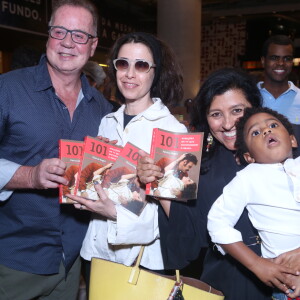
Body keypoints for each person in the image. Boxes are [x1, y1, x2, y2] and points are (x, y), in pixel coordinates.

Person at [137, 67, 300, 300]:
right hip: (231, 283)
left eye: (237, 110)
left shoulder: (287, 139)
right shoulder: (199, 166)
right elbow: (189, 241)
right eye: (216, 115)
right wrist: (158, 185)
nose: (228, 123)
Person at [0, 0, 112, 299]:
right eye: (59, 31)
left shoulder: (104, 111)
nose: (67, 42)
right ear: (47, 35)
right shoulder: (7, 89)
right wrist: (29, 176)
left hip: (71, 264)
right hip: (13, 261)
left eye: (79, 35)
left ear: (92, 45)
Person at [66, 32, 187, 290]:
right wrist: (81, 193)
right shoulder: (106, 122)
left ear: (156, 72)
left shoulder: (172, 131)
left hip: (144, 260)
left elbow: (176, 218)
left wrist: (115, 214)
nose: (130, 73)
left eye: (141, 65)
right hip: (97, 252)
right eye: (123, 64)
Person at [208, 106, 300, 300]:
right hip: (288, 281)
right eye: (256, 132)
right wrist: (257, 265)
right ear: (249, 157)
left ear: (292, 139)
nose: (267, 130)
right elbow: (217, 222)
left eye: (273, 125)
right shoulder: (247, 178)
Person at [258, 35, 300, 124]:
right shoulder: (248, 96)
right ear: (263, 61)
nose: (281, 63)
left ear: (292, 62)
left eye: (287, 58)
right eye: (274, 58)